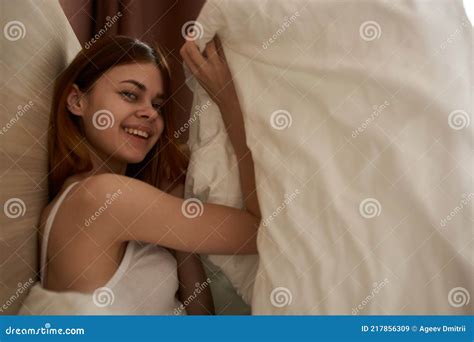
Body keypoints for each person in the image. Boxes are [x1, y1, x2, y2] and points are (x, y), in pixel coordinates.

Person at [19, 35, 260, 315]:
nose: (150, 113)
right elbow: (260, 231)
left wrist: (174, 197)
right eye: (129, 95)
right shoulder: (102, 196)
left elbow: (201, 319)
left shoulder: (99, 197)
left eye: (157, 104)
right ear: (76, 101)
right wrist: (230, 102)